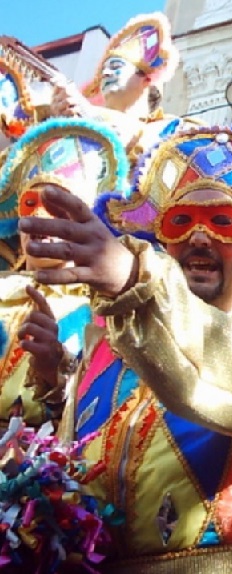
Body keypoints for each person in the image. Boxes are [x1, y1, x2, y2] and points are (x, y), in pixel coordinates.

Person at [22, 125, 232, 572]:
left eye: (223, 222)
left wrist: (137, 280)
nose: (200, 238)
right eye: (181, 222)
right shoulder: (109, 342)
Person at [0, 118, 129, 431]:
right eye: (31, 204)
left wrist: (55, 371)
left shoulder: (105, 308)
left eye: (56, 207)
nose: (41, 217)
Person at [49, 12, 200, 169]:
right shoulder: (83, 126)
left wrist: (88, 113)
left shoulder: (175, 128)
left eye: (116, 66)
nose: (106, 74)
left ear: (147, 79)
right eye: (103, 71)